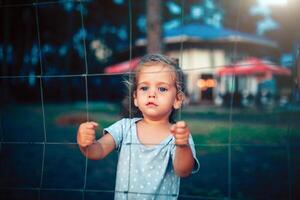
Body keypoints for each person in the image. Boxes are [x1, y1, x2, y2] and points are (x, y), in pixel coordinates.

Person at [77, 54, 199, 200]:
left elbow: (183, 171)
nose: (152, 94)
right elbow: (98, 151)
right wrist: (85, 144)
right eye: (144, 88)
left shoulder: (179, 136)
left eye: (162, 89)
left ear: (178, 100)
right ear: (135, 98)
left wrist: (182, 146)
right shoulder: (124, 127)